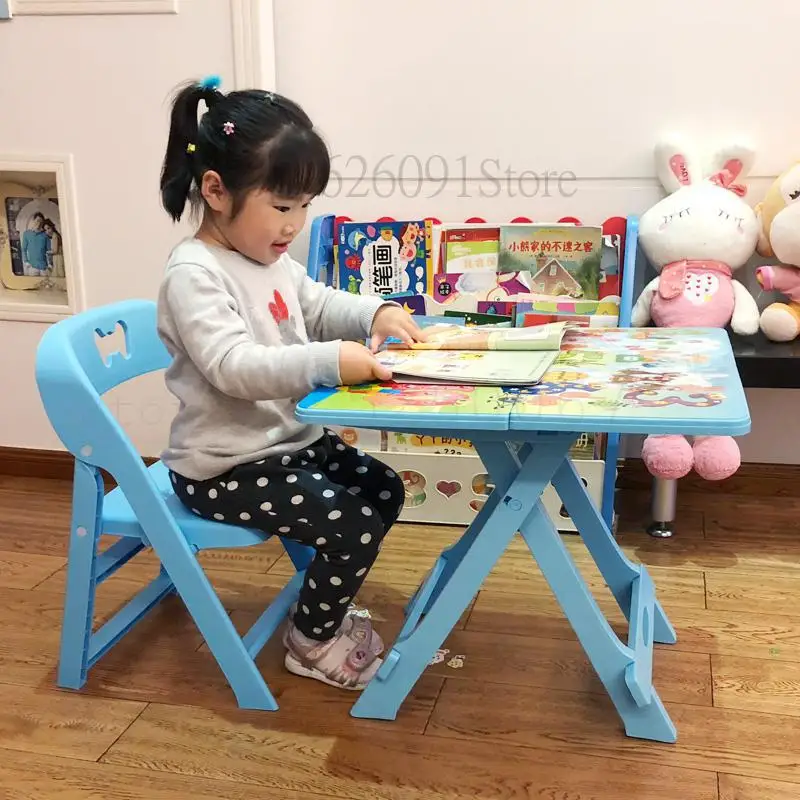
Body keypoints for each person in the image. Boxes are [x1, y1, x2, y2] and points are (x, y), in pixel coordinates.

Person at [156, 75, 424, 691]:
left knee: (383, 489)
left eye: (305, 205)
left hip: (285, 444)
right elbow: (234, 367)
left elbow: (320, 302)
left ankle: (322, 606)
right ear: (217, 191)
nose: (295, 224)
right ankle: (311, 641)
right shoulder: (194, 274)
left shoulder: (266, 259)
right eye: (282, 206)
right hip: (224, 467)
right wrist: (331, 360)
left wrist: (374, 314)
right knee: (351, 525)